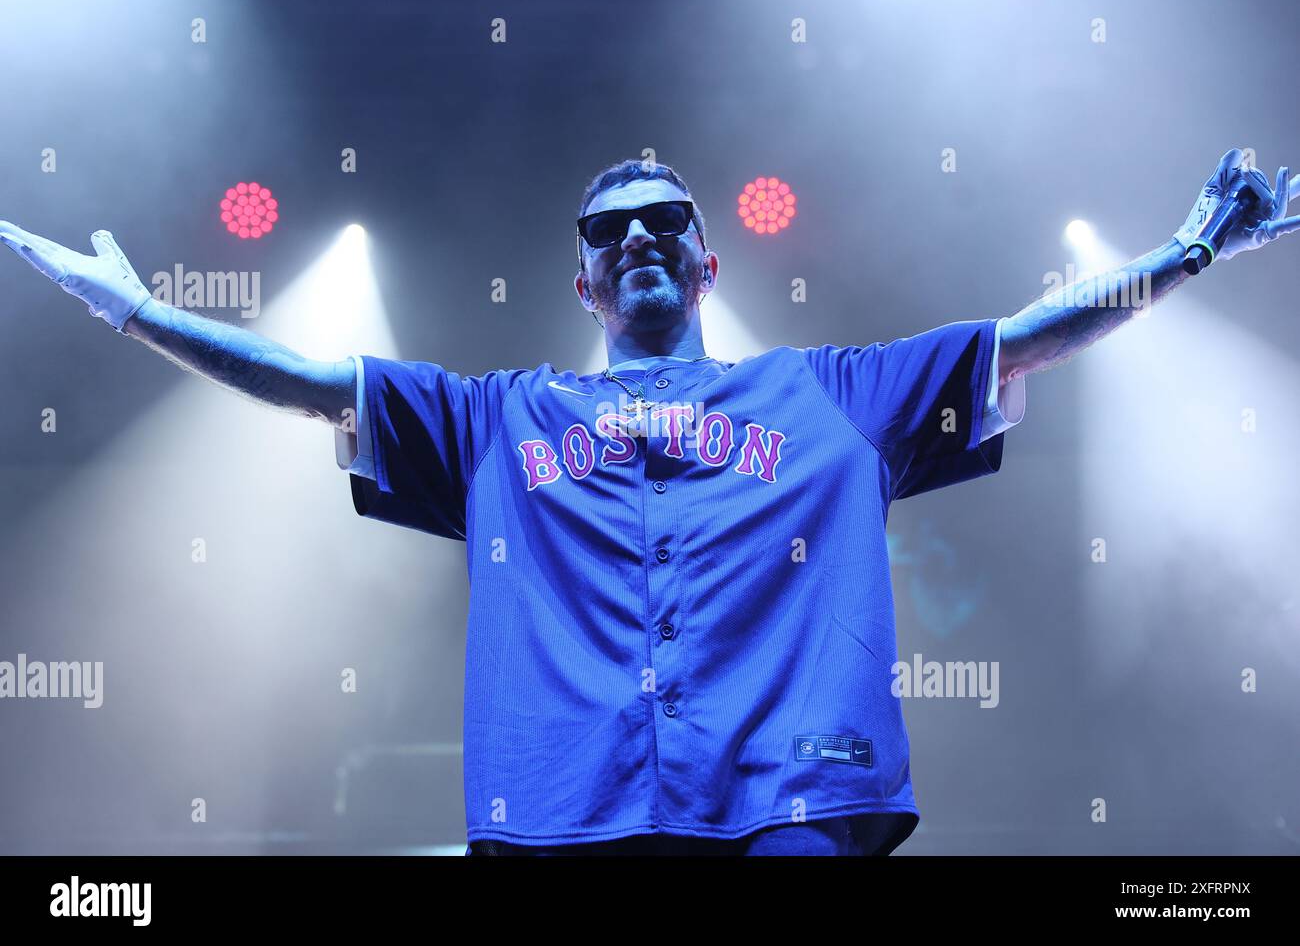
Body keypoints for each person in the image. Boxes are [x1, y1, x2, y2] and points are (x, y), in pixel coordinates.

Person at [2, 150, 1295, 856]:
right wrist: (147, 317)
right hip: (566, 818)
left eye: (666, 220)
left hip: (786, 809)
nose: (640, 239)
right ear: (583, 283)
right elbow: (316, 391)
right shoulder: (501, 419)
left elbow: (1020, 344)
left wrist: (1188, 252)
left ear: (706, 258)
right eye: (613, 229)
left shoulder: (824, 394)